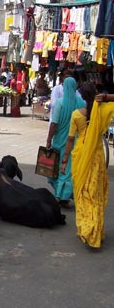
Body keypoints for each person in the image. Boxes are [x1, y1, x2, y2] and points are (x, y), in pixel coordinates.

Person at [60, 83, 114, 248]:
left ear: (82, 97)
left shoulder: (76, 115)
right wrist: (107, 97)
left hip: (81, 155)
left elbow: (70, 139)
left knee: (83, 192)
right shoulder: (102, 111)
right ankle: (96, 230)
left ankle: (86, 228)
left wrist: (64, 161)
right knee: (95, 193)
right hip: (97, 155)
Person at [46, 76, 85, 206]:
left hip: (59, 140)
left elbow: (54, 124)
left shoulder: (60, 103)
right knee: (68, 169)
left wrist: (48, 140)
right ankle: (65, 196)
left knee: (58, 168)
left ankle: (59, 195)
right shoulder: (81, 103)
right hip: (76, 142)